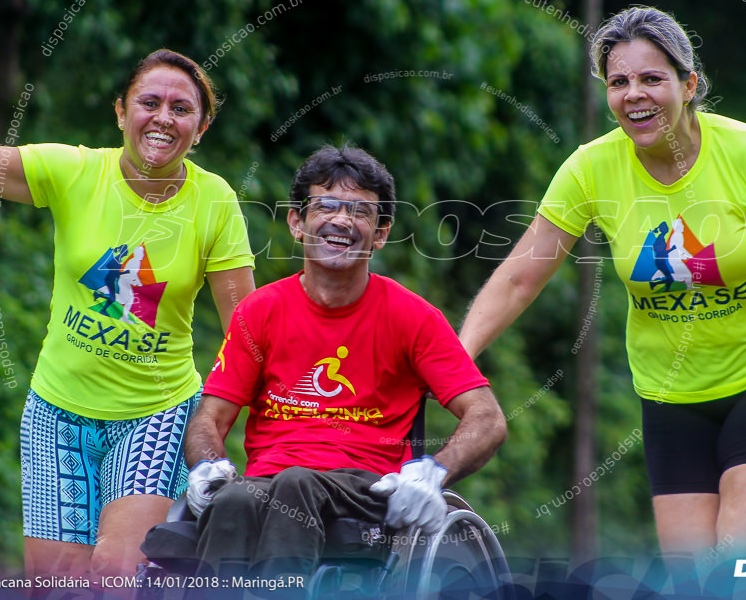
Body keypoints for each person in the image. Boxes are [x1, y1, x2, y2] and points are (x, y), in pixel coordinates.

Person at [459, 7, 746, 568]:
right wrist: (456, 357)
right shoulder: (591, 168)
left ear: (688, 85)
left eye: (651, 78)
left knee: (739, 562)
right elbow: (521, 276)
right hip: (669, 396)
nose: (633, 94)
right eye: (619, 82)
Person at [0, 49, 256, 583]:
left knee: (114, 573)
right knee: (56, 585)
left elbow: (247, 333)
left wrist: (220, 427)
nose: (163, 117)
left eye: (181, 109)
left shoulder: (215, 202)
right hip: (55, 413)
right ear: (121, 112)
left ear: (201, 128)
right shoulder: (74, 172)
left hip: (155, 414)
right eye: (150, 102)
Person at [183, 145, 506, 585]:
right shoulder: (260, 311)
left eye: (360, 211)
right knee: (233, 499)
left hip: (366, 488)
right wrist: (207, 465)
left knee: (297, 483)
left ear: (381, 233)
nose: (341, 221)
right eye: (326, 206)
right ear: (297, 223)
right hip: (270, 482)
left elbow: (487, 418)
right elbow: (210, 418)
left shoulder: (412, 317)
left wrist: (435, 471)